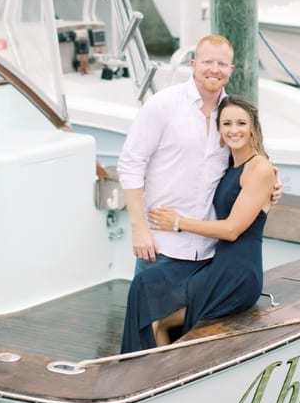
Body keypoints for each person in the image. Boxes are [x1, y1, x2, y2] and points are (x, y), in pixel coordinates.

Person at [117, 34, 281, 352]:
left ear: (231, 69)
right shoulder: (163, 105)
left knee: (188, 343)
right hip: (161, 244)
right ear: (193, 64)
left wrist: (273, 181)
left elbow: (250, 159)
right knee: (148, 332)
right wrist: (138, 228)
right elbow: (130, 164)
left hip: (209, 253)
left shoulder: (230, 114)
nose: (214, 69)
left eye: (222, 64)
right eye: (207, 61)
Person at [146, 94, 276, 344]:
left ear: (253, 128)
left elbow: (231, 230)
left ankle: (173, 378)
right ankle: (166, 377)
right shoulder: (229, 165)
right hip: (218, 265)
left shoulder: (259, 167)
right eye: (226, 124)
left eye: (241, 123)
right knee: (160, 321)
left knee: (166, 325)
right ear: (218, 129)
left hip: (238, 273)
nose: (234, 130)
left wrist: (178, 222)